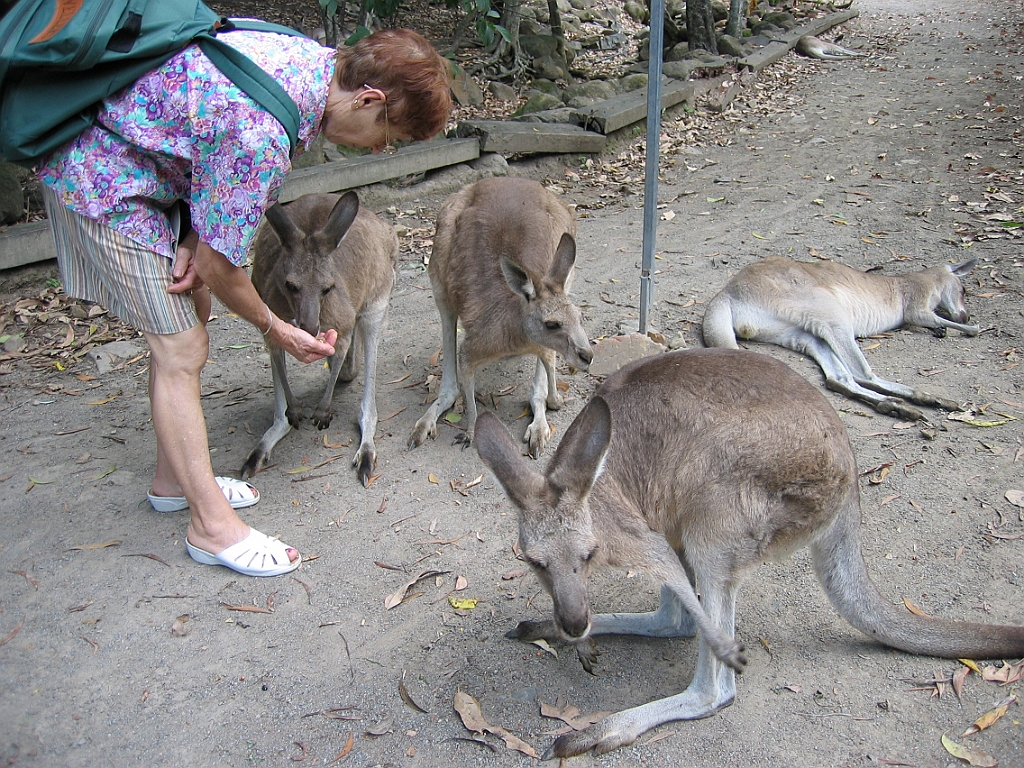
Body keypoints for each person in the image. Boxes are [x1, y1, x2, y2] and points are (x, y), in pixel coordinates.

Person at [37, 27, 453, 577]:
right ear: (368, 98)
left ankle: (173, 484)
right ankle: (211, 527)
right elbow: (220, 265)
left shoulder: (303, 60)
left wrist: (192, 232)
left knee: (191, 318)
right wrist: (276, 328)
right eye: (386, 135)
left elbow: (200, 133)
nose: (379, 149)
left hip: (143, 163)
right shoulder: (263, 131)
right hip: (101, 178)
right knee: (181, 346)